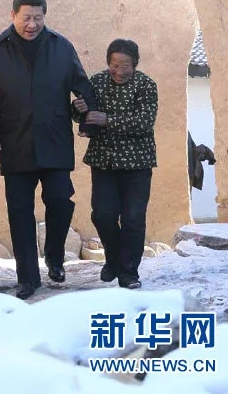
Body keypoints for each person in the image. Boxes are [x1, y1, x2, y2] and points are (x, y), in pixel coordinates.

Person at [0, 0, 96, 300]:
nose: (32, 25)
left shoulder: (61, 47)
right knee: (19, 212)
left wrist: (85, 119)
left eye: (38, 18)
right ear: (13, 16)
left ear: (45, 16)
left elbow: (83, 87)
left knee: (60, 200)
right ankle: (27, 278)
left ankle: (55, 256)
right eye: (26, 18)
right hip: (15, 140)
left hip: (55, 139)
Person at [73, 39, 158, 290]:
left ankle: (128, 272)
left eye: (125, 66)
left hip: (137, 164)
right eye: (114, 65)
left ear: (135, 64)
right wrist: (77, 109)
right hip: (104, 162)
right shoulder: (97, 82)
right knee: (102, 215)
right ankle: (113, 258)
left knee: (133, 219)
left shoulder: (146, 85)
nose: (119, 71)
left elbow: (144, 122)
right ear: (108, 62)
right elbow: (83, 115)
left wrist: (108, 120)